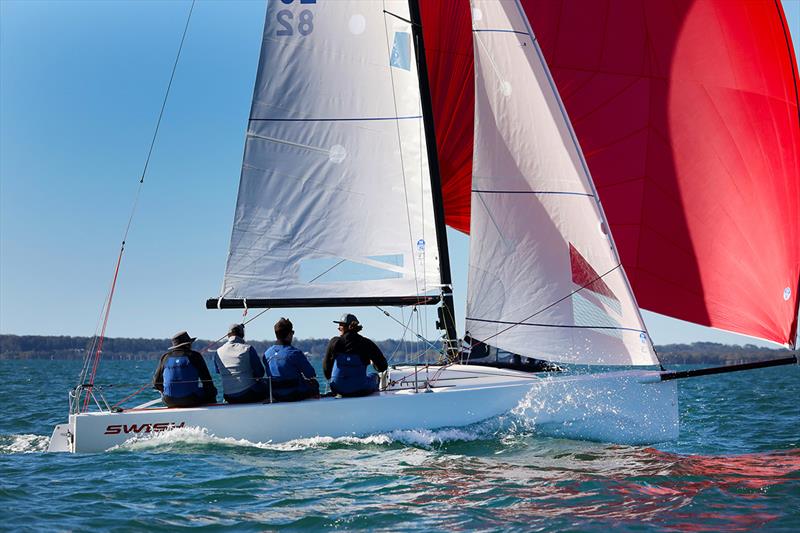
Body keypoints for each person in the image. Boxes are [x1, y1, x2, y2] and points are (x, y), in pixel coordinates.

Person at [323, 313, 388, 397]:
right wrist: (373, 363)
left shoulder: (334, 342)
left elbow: (326, 369)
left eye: (340, 326)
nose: (338, 328)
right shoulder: (366, 343)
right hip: (359, 389)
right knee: (374, 376)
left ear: (344, 327)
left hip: (337, 388)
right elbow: (382, 367)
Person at [153, 331, 217, 407]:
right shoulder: (195, 356)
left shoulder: (165, 357)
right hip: (191, 399)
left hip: (168, 400)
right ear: (188, 344)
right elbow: (207, 380)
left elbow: (156, 383)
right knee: (212, 391)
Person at [263, 318, 320, 402]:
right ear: (289, 334)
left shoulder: (266, 354)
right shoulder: (295, 353)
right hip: (294, 394)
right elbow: (310, 374)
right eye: (292, 332)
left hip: (275, 394)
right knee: (314, 383)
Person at [214, 323, 268, 404]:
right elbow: (260, 373)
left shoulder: (218, 352)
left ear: (228, 335)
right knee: (267, 384)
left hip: (228, 396)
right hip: (248, 393)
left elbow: (218, 371)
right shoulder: (248, 349)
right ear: (242, 335)